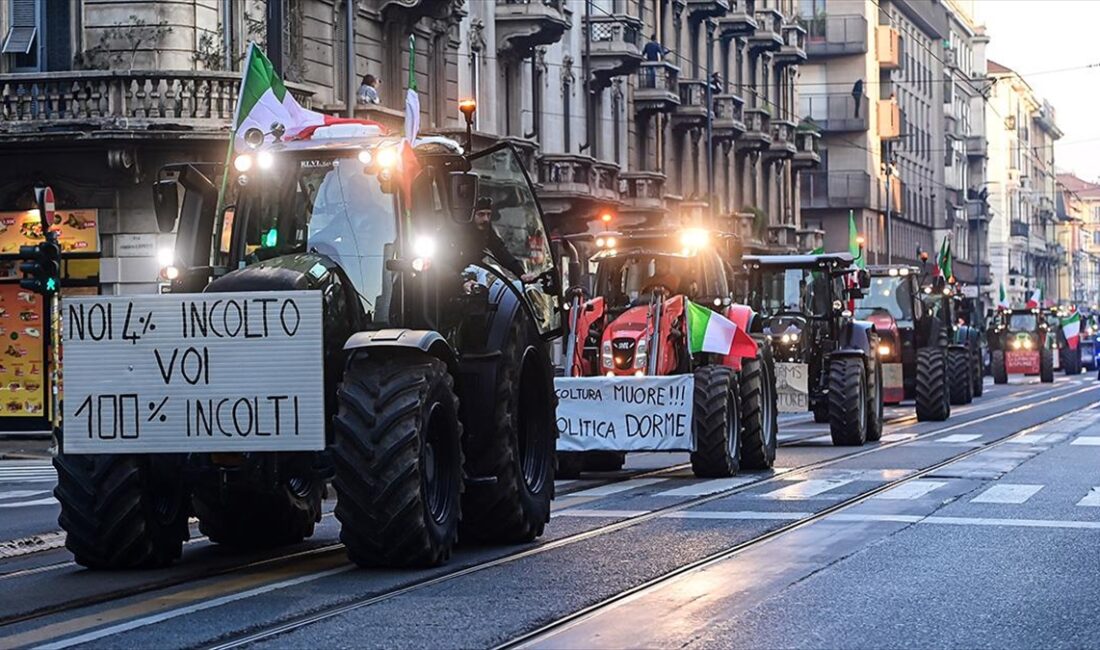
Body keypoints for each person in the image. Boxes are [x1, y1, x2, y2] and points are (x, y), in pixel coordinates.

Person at [467, 196, 538, 286]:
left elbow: (500, 251)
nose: (486, 219)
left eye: (488, 215)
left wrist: (521, 274)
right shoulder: (456, 233)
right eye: (481, 214)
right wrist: (461, 282)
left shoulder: (487, 230)